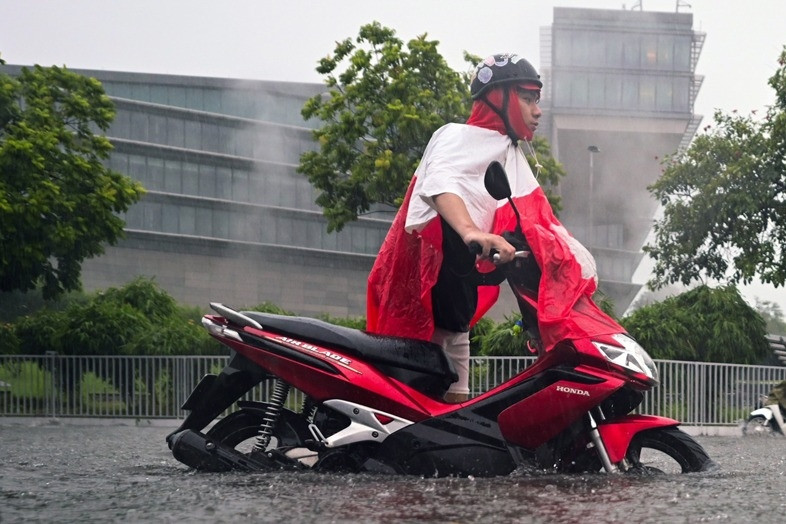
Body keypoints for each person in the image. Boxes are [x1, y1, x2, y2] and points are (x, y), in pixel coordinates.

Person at [366, 53, 598, 403]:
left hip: (456, 311)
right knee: (404, 412)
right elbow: (441, 184)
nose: (538, 111)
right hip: (422, 305)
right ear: (498, 96)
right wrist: (471, 231)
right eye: (527, 98)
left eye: (538, 100)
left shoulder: (510, 153)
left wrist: (574, 260)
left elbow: (538, 222)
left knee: (455, 420)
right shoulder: (455, 136)